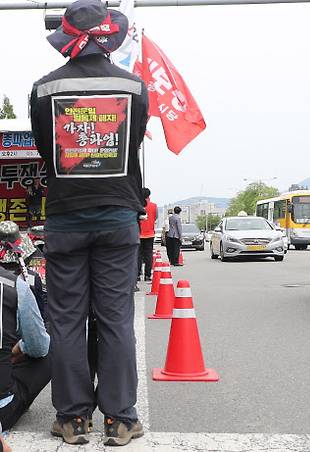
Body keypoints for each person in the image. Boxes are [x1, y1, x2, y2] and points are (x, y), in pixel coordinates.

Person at [29, 0, 147, 446]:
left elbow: (46, 149)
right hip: (118, 216)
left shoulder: (44, 89)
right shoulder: (134, 87)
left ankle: (74, 418)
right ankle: (120, 419)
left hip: (64, 220)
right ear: (108, 35)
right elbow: (133, 143)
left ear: (69, 38)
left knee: (66, 321)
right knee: (116, 318)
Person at [0, 222, 51, 434]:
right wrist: (18, 348)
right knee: (50, 341)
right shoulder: (19, 284)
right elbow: (39, 346)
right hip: (3, 402)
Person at [138, 188, 157, 282]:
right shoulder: (154, 206)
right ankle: (147, 275)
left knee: (138, 255)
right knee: (149, 255)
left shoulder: (137, 205)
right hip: (150, 234)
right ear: (149, 195)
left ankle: (137, 274)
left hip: (138, 233)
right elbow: (155, 217)